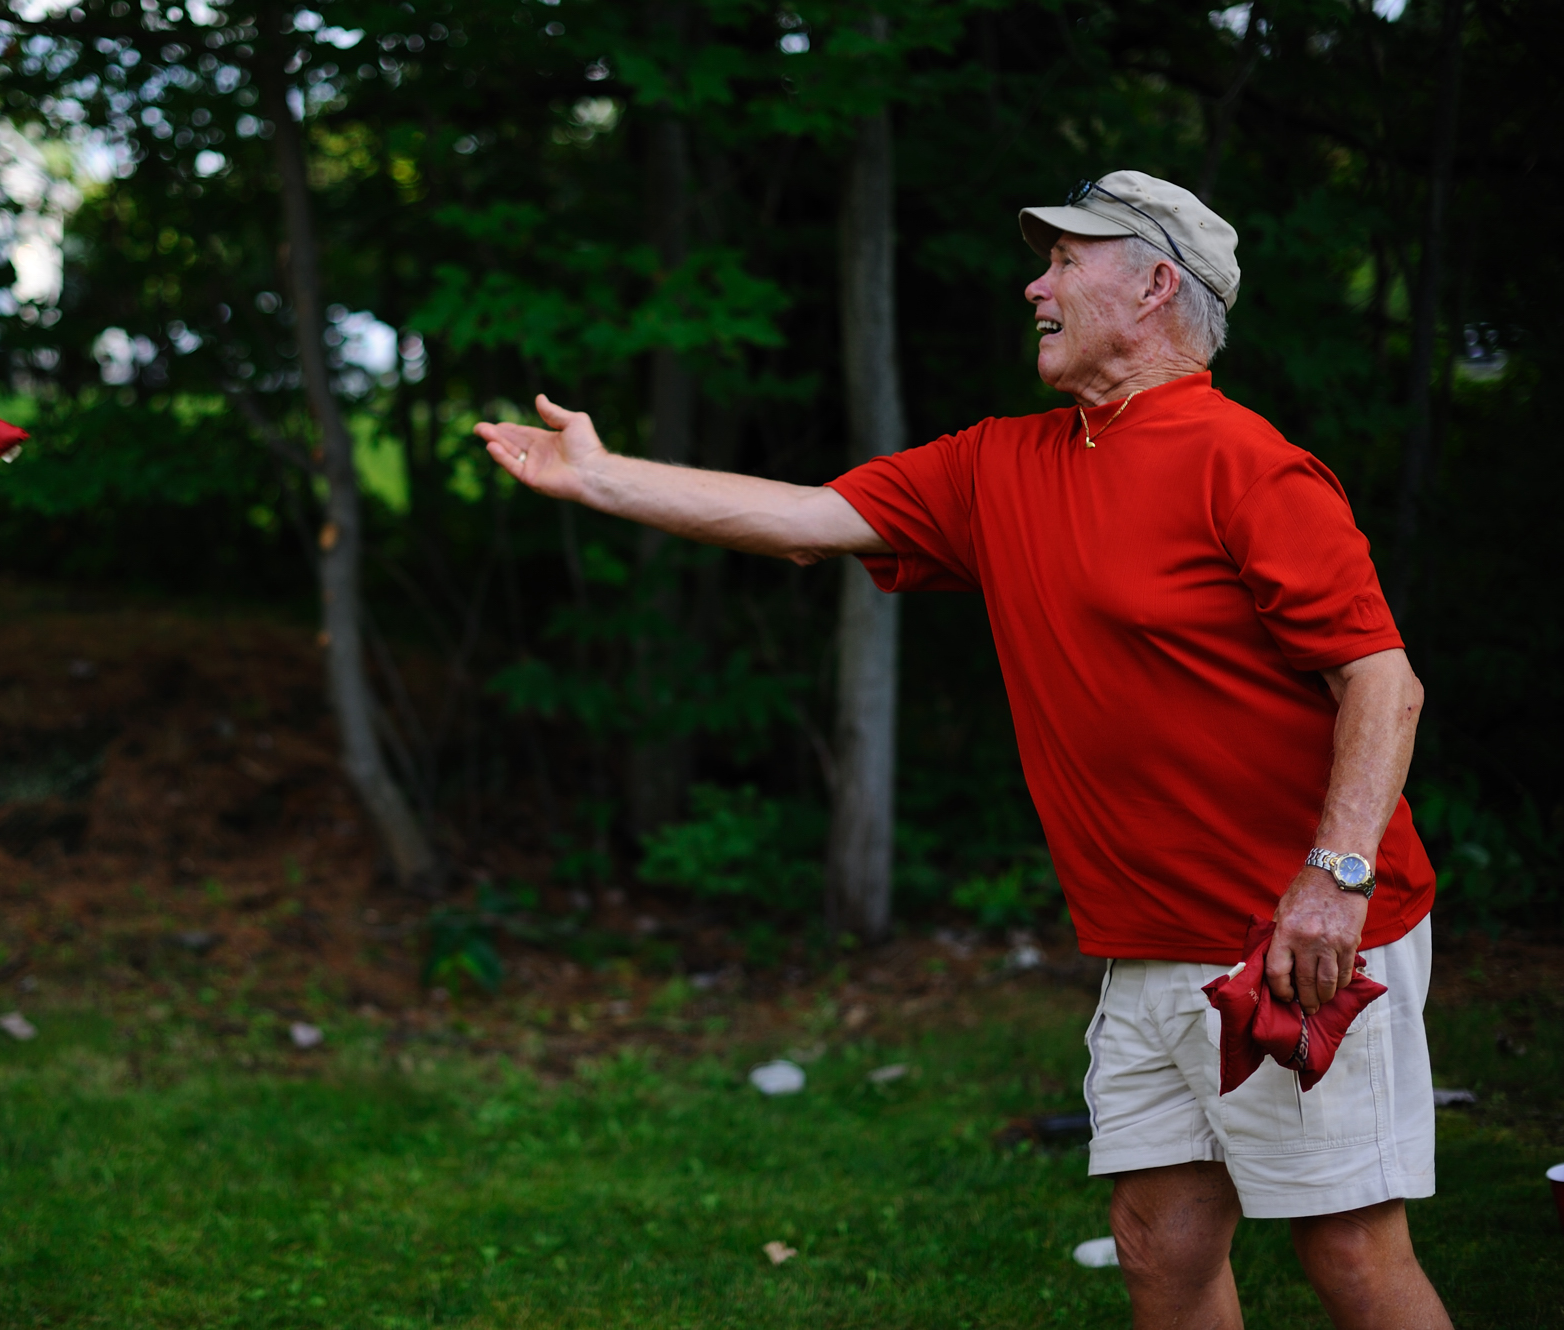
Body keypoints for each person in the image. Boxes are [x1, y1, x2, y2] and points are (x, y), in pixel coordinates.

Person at [474, 169, 1450, 1329]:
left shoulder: (1245, 463)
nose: (1032, 284)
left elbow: (1380, 679)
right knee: (1157, 1238)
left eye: (1062, 262)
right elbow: (803, 518)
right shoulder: (1000, 464)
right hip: (1148, 940)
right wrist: (603, 478)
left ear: (1151, 284)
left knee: (1345, 1251)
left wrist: (1332, 881)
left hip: (1295, 933)